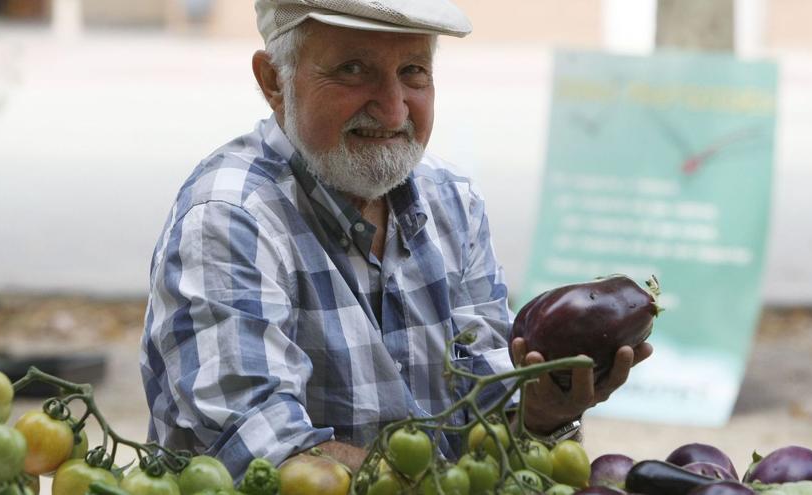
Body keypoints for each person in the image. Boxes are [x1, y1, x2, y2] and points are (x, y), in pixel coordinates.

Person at [140, 0, 653, 479]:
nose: (392, 110)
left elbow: (491, 413)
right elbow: (265, 452)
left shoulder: (453, 202)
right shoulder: (230, 219)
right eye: (352, 70)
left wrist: (543, 414)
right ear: (274, 81)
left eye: (413, 72)